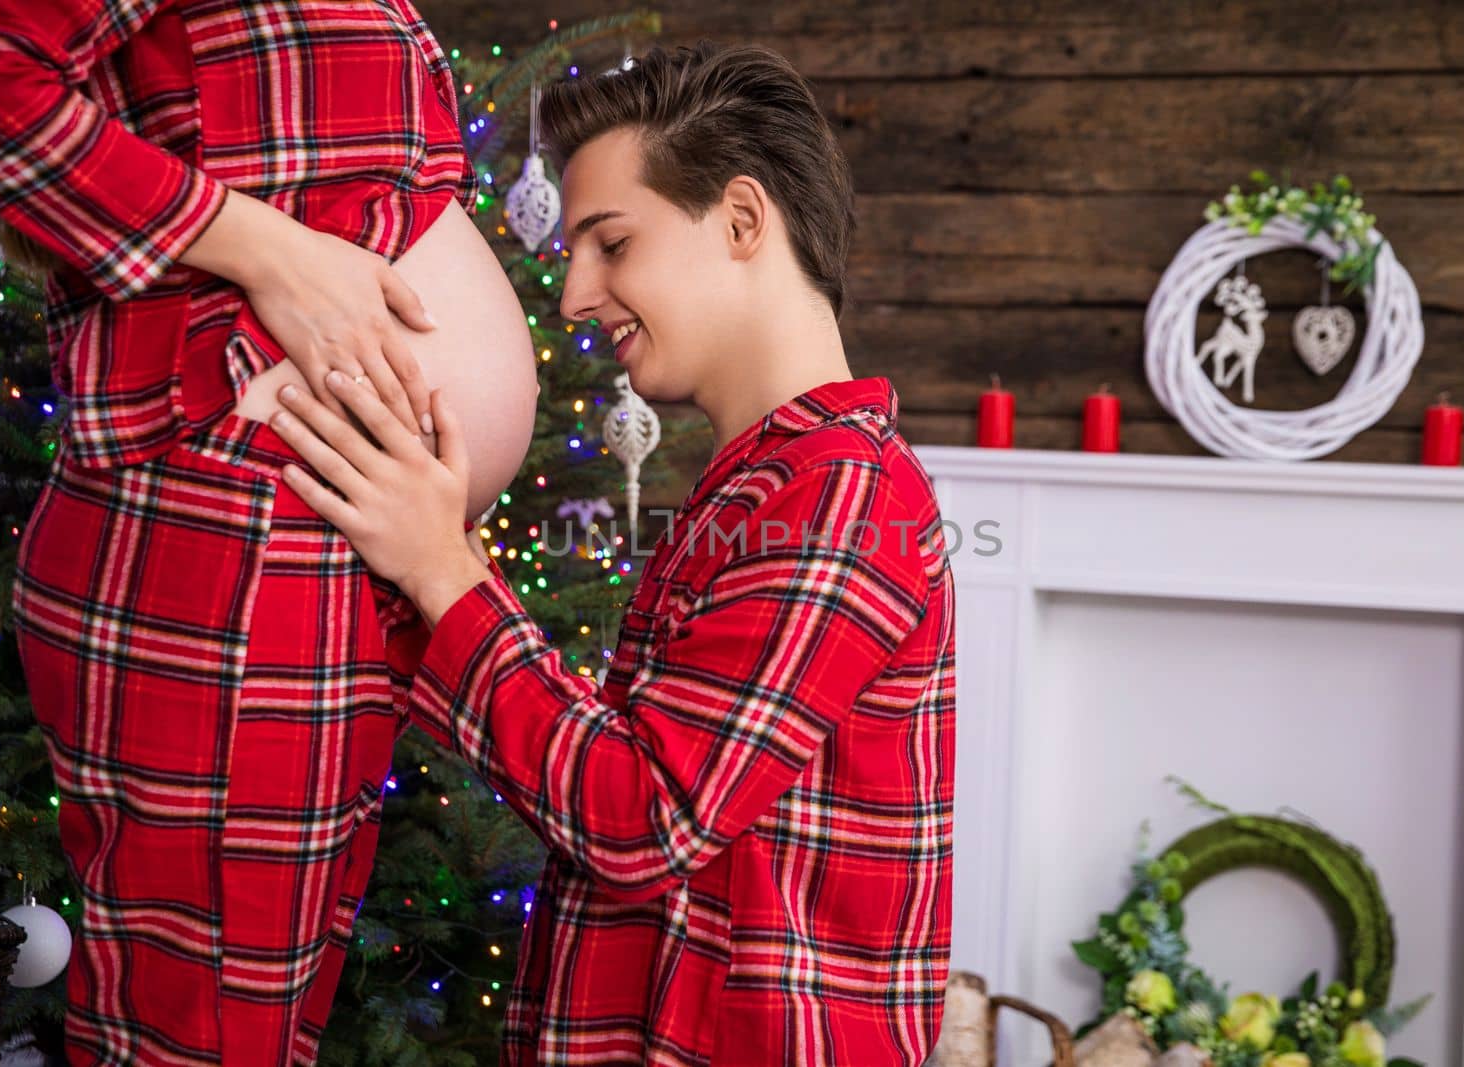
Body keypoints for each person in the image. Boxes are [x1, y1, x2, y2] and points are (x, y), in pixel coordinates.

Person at [269, 41, 957, 1065]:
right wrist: (426, 563)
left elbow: (642, 817)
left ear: (740, 220)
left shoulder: (841, 495)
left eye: (612, 243)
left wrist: (445, 572)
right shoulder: (759, 488)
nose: (574, 298)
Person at [0, 1, 532, 1062]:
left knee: (251, 1023)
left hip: (309, 536)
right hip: (220, 533)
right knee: (201, 1031)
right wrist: (270, 252)